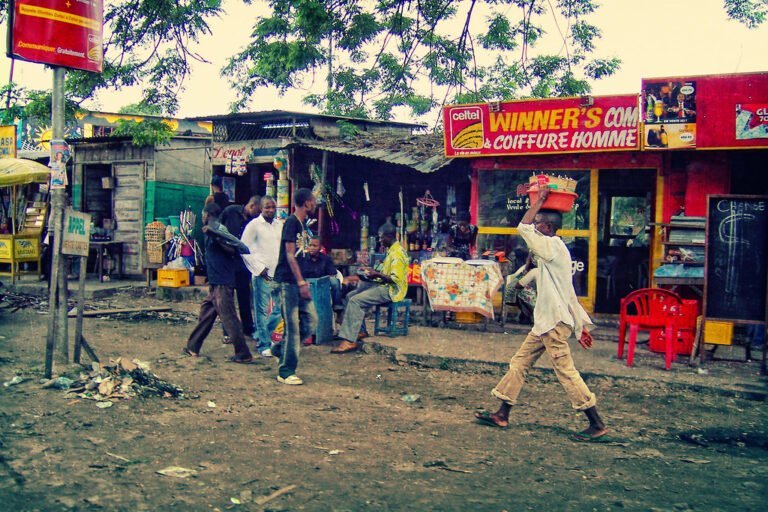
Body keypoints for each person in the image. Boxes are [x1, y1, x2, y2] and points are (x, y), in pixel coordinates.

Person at [474, 188, 608, 441]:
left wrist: (540, 201)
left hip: (552, 323)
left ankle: (597, 423)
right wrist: (580, 327)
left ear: (546, 227)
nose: (534, 227)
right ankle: (502, 413)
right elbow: (565, 292)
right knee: (519, 363)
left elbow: (523, 228)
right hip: (547, 322)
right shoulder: (553, 250)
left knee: (566, 372)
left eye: (538, 224)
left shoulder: (552, 247)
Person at [183, 203, 253, 363]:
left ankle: (243, 353)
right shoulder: (211, 229)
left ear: (207, 214)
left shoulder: (216, 229)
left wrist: (216, 236)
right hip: (216, 281)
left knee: (229, 318)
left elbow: (232, 249)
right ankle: (192, 347)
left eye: (203, 214)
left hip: (222, 281)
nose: (202, 217)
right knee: (207, 313)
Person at [332, 223, 408, 354]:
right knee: (350, 296)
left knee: (356, 301)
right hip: (384, 286)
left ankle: (350, 340)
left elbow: (395, 279)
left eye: (381, 237)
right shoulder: (391, 250)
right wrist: (371, 272)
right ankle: (360, 331)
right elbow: (385, 273)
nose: (379, 240)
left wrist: (377, 274)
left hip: (392, 291)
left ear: (389, 236)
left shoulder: (397, 254)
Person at [273, 188, 318, 385]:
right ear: (307, 203)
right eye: (313, 201)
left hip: (299, 281)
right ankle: (286, 371)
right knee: (293, 326)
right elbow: (290, 254)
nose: (315, 205)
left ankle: (278, 350)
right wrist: (300, 282)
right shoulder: (291, 223)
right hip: (288, 282)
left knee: (312, 321)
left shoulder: (302, 225)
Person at [241, 196, 284, 357]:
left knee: (280, 308)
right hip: (262, 275)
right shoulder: (254, 225)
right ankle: (263, 344)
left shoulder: (279, 225)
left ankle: (262, 333)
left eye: (273, 207)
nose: (270, 210)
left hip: (278, 274)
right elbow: (243, 248)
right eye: (267, 207)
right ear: (260, 208)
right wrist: (258, 268)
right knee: (261, 311)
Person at [219, 195, 261, 342]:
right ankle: (228, 332)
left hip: (244, 263)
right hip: (227, 262)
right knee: (227, 299)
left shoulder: (254, 222)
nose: (259, 214)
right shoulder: (230, 212)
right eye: (259, 210)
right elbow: (217, 231)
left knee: (244, 297)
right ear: (252, 206)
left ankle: (248, 329)